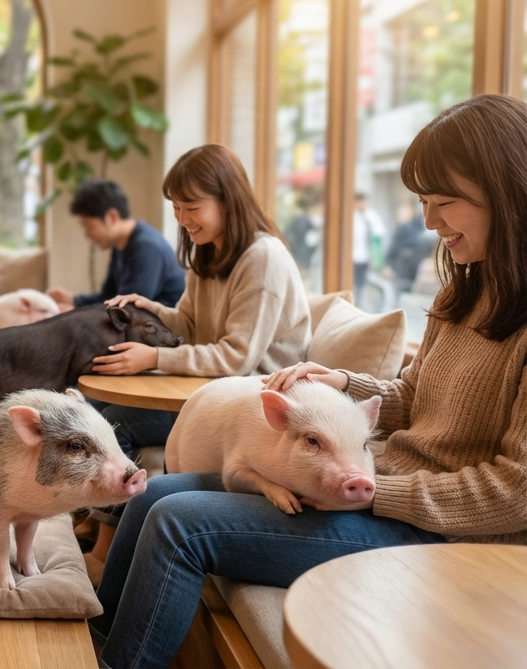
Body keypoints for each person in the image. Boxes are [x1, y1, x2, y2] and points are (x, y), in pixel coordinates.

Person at [89, 94, 527, 668]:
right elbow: (416, 399)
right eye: (423, 201)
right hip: (378, 488)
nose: (427, 221)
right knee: (157, 494)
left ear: (509, 194)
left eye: (445, 202)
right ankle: (92, 644)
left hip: (444, 534)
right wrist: (344, 384)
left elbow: (517, 491)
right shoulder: (462, 292)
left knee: (178, 524)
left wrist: (376, 493)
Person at [86, 144, 310, 557]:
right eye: (176, 207)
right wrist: (148, 310)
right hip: (214, 393)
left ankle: (105, 548)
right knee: (102, 412)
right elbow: (189, 326)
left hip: (254, 402)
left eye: (191, 207)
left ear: (229, 199)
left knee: (118, 424)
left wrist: (154, 358)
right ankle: (103, 533)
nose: (182, 219)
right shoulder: (209, 251)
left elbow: (235, 357)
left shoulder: (263, 258)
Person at [47, 179, 185, 312]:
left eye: (89, 226)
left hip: (166, 331)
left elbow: (128, 308)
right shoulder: (121, 245)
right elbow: (110, 297)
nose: (87, 234)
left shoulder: (147, 247)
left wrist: (75, 313)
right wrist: (74, 300)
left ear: (111, 217)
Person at [352, 191, 386, 308]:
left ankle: (360, 304)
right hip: (352, 257)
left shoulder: (371, 216)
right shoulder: (351, 217)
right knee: (353, 284)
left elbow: (379, 235)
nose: (362, 205)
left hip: (366, 257)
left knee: (362, 284)